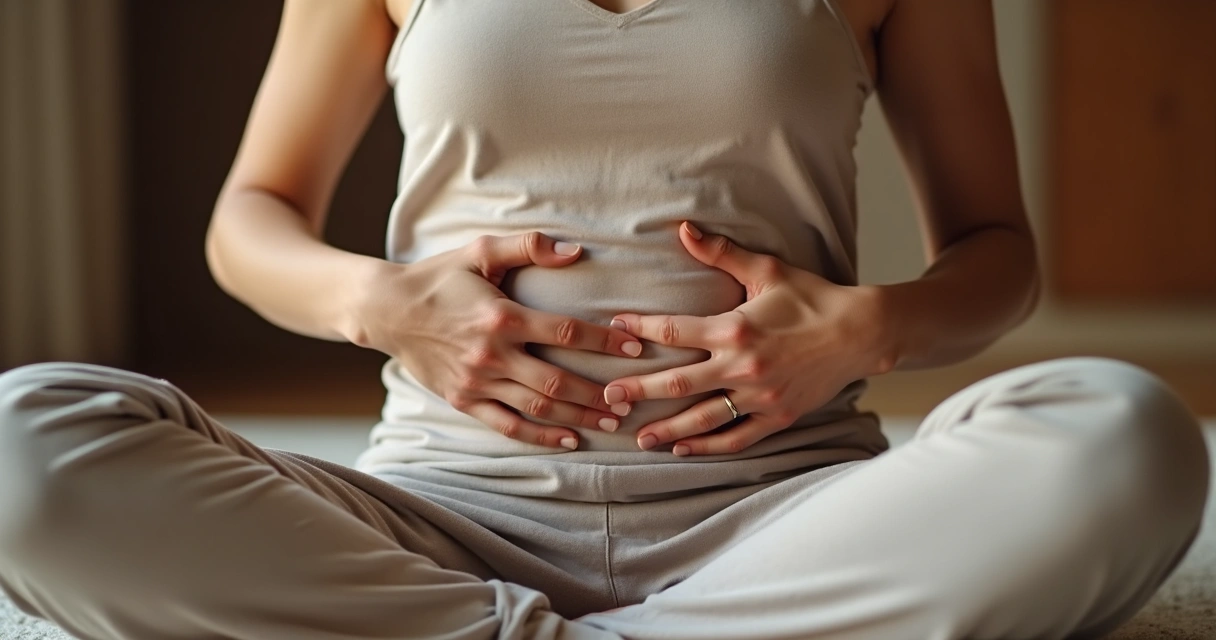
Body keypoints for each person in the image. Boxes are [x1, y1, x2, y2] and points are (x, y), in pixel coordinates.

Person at [0, 0, 1209, 638]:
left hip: (782, 513)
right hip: (436, 519)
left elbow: (997, 256)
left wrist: (862, 329)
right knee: (22, 443)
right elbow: (248, 220)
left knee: (1121, 435)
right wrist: (379, 301)